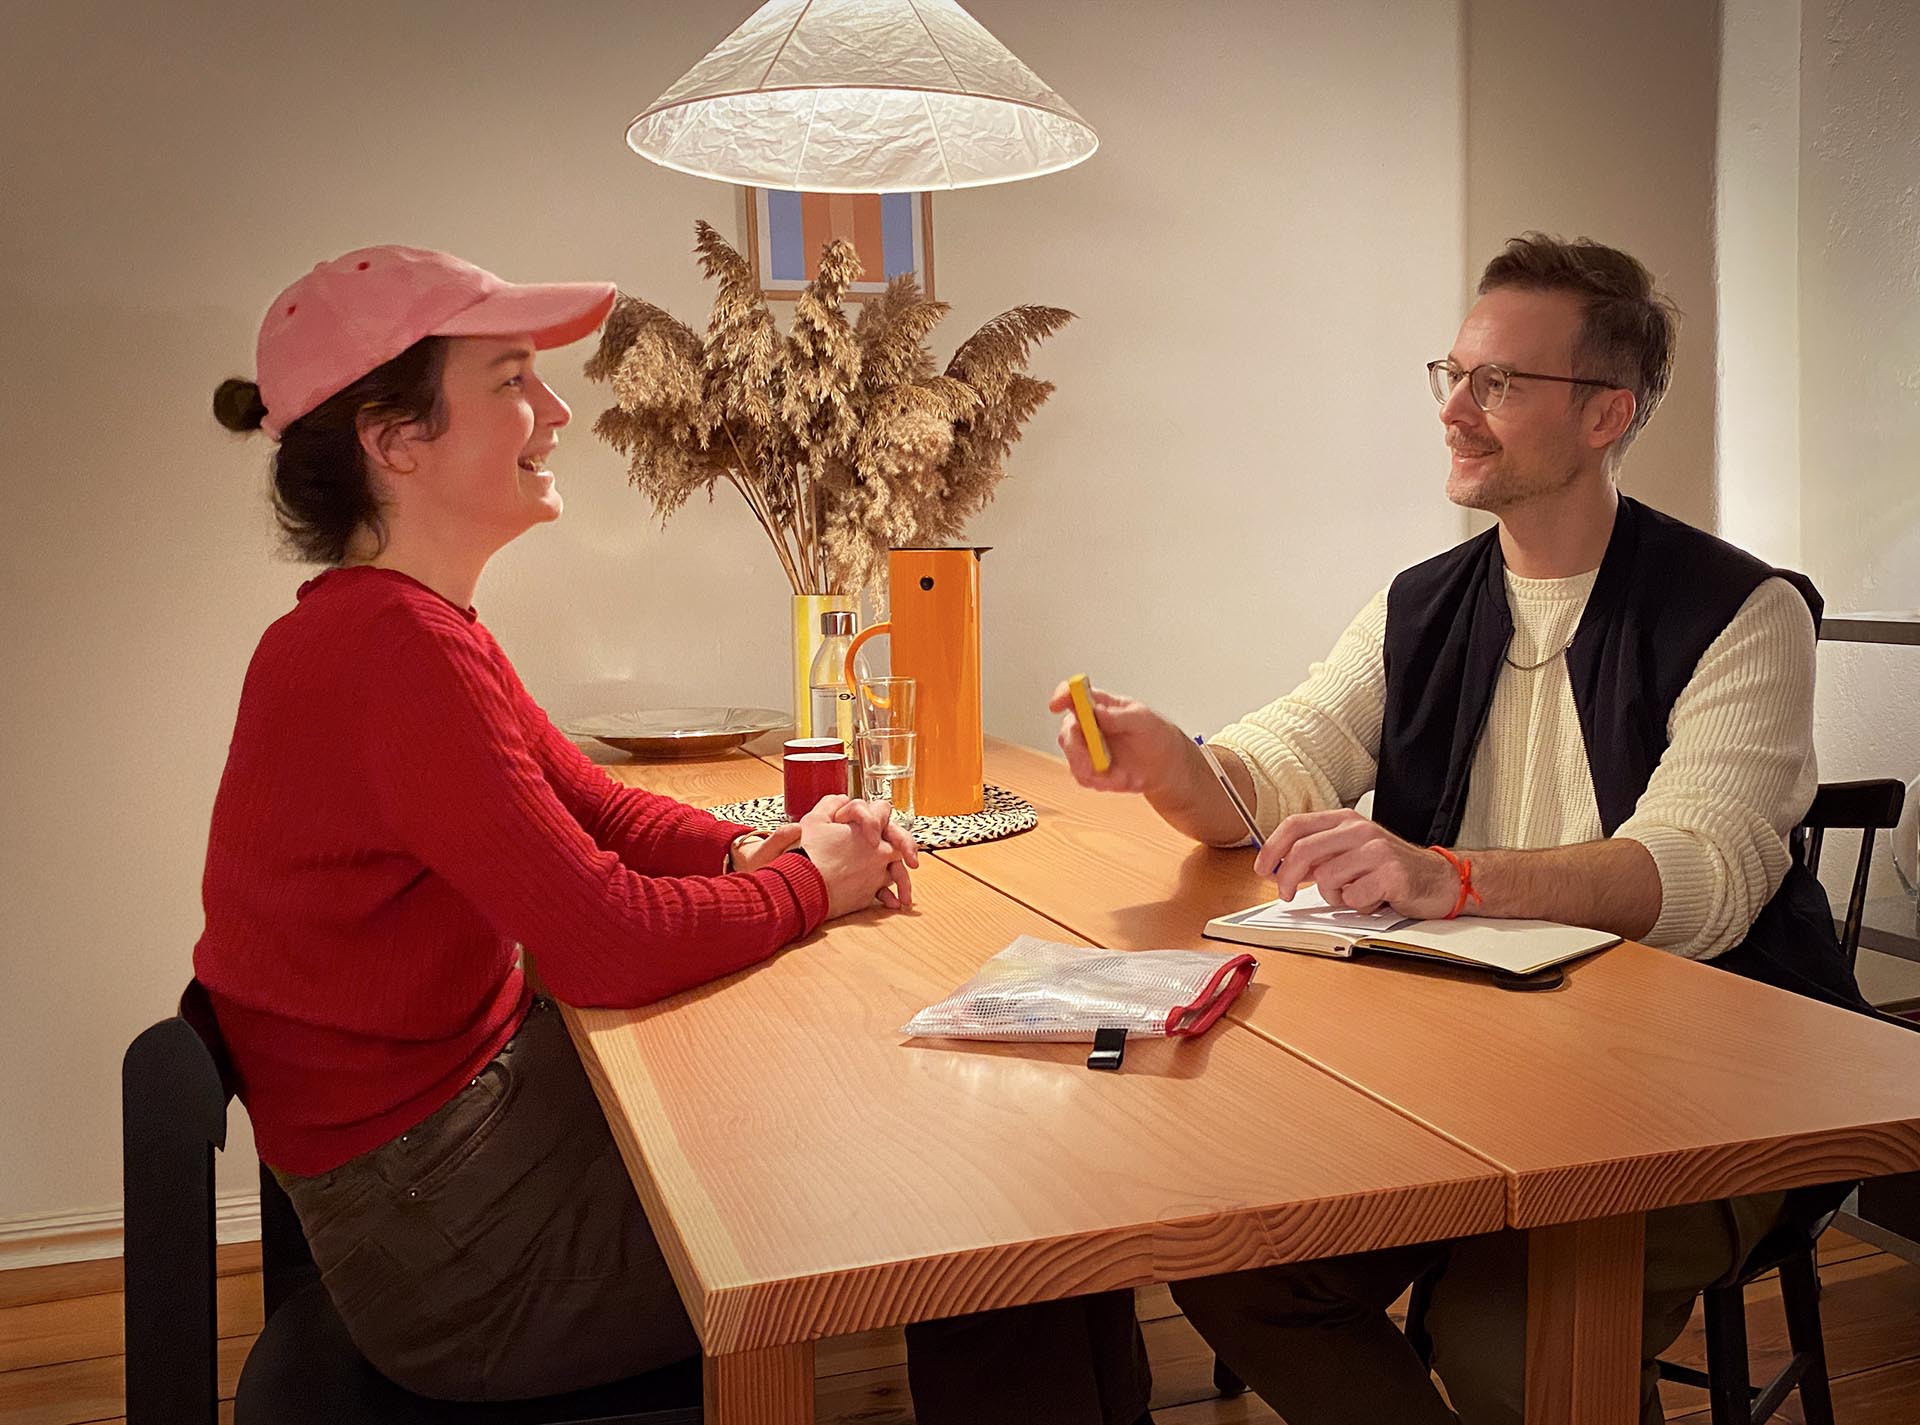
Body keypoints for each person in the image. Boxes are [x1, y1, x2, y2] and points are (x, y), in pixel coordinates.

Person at [1049, 233, 1867, 1425]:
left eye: (1500, 383)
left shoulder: (1744, 612)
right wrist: (1181, 764)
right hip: (1469, 1075)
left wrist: (1452, 877)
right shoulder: (1421, 604)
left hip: (1708, 1088)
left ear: (1605, 414)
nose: (1455, 410)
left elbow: (1701, 876)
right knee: (1242, 1266)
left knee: (1509, 1344)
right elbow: (1274, 768)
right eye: (1455, 374)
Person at [197, 244, 918, 1401]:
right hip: (456, 1255)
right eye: (512, 381)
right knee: (939, 1173)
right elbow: (606, 944)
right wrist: (809, 887)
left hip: (458, 1163)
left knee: (853, 1100)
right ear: (394, 440)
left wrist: (751, 850)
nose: (558, 410)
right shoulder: (393, 649)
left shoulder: (399, 625)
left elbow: (590, 805)